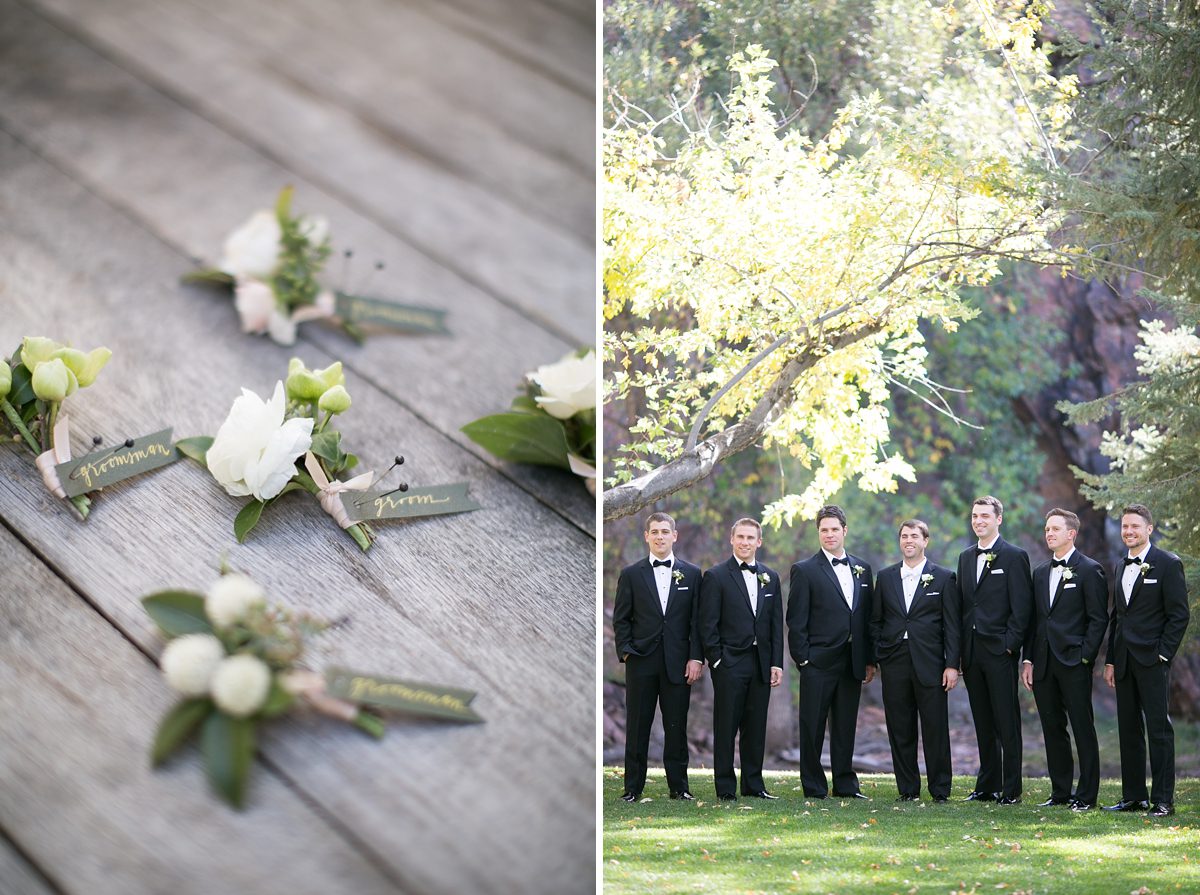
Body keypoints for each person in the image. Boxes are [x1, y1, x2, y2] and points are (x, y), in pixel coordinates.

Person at [1103, 504, 1190, 818]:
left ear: (1149, 529)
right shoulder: (1119, 565)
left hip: (1153, 660)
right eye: (1125, 526)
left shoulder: (1167, 564)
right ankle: (1134, 797)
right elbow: (1118, 618)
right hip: (1124, 660)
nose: (1128, 532)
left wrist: (1163, 654)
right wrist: (1111, 660)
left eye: (1135, 527)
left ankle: (1163, 800)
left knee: (1159, 731)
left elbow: (1179, 615)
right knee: (1128, 730)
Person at [613, 512, 704, 802]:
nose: (660, 536)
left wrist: (695, 658)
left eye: (665, 531)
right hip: (640, 661)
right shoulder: (631, 574)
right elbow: (621, 619)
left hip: (678, 663)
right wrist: (626, 652)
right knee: (637, 726)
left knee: (676, 726)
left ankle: (679, 787)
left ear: (674, 536)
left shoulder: (691, 574)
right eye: (655, 532)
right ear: (647, 536)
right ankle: (633, 788)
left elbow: (696, 623)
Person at [1020, 509, 1107, 811]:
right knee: (1052, 728)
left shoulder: (1090, 569)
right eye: (1046, 529)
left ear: (1071, 534)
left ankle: (1086, 795)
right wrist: (1028, 659)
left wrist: (1085, 657)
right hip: (1043, 663)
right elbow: (1035, 621)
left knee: (1082, 727)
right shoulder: (1040, 572)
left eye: (1055, 529)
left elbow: (1098, 619)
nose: (1049, 534)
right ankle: (1060, 792)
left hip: (1073, 663)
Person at [787, 505, 875, 800]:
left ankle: (845, 784)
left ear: (844, 531)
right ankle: (813, 786)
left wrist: (869, 659)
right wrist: (804, 659)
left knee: (845, 726)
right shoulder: (805, 569)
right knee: (812, 726)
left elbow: (868, 618)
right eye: (824, 530)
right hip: (818, 662)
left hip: (853, 661)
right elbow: (796, 620)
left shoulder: (863, 569)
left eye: (834, 529)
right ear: (818, 533)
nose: (829, 534)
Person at [870, 519, 959, 802]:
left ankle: (940, 789)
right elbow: (875, 621)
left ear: (925, 541)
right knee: (900, 727)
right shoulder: (885, 578)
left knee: (935, 728)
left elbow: (952, 625)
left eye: (914, 536)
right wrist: (879, 655)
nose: (909, 540)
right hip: (895, 662)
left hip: (931, 663)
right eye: (904, 536)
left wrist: (952, 664)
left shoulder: (944, 577)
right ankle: (907, 789)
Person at [698, 517, 784, 801]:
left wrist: (776, 662)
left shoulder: (770, 577)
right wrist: (717, 660)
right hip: (730, 663)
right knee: (726, 726)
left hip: (760, 662)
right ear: (732, 540)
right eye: (741, 537)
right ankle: (725, 787)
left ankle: (753, 784)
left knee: (755, 726)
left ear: (759, 542)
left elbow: (774, 624)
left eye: (751, 538)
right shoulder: (716, 576)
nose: (745, 542)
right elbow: (707, 624)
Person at [956, 495, 1032, 804]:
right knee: (983, 722)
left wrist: (1009, 646)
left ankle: (1011, 790)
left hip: (1000, 651)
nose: (979, 521)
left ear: (998, 519)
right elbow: (964, 606)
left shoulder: (1014, 556)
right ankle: (987, 785)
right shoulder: (964, 557)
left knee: (1006, 722)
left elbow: (1022, 609)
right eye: (975, 516)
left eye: (985, 516)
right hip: (972, 653)